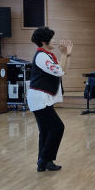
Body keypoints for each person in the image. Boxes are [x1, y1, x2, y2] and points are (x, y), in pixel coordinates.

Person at [27, 27, 73, 173]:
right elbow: (59, 71)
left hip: (42, 99)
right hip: (39, 99)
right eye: (51, 38)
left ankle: (44, 162)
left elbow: (63, 70)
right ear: (43, 41)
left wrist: (68, 55)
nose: (54, 40)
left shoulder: (48, 55)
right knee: (57, 127)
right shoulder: (41, 56)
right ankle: (44, 159)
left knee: (46, 131)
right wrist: (64, 54)